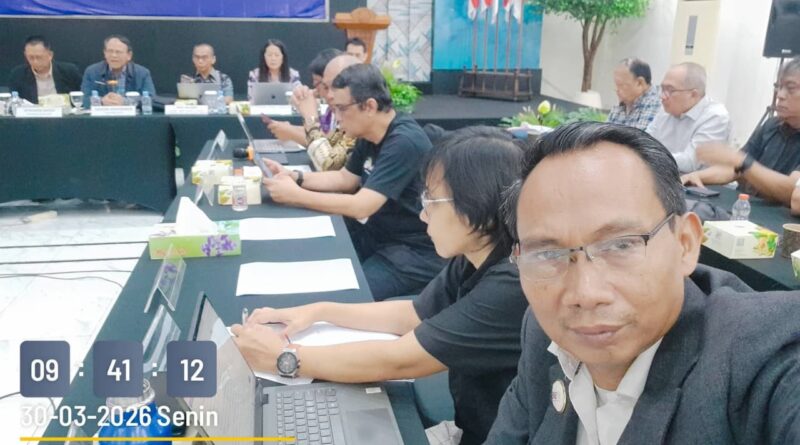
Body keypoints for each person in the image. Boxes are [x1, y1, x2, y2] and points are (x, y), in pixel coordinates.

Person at [484, 121, 800, 444]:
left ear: (685, 244)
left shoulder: (765, 357)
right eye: (548, 253)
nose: (585, 294)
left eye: (621, 245)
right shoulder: (543, 334)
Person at [232, 126, 528, 445]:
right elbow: (413, 314)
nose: (423, 214)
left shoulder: (514, 283)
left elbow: (399, 359)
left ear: (478, 208)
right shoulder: (477, 251)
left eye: (432, 200)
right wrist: (318, 311)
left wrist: (282, 357)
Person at [261, 63, 446, 300]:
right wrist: (296, 177)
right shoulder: (369, 133)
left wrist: (296, 196)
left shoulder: (404, 141)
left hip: (412, 252)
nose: (337, 118)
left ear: (369, 106)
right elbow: (344, 179)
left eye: (341, 109)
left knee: (344, 297)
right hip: (377, 235)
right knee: (308, 262)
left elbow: (362, 206)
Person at [684, 57, 800, 207]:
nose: (780, 95)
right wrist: (696, 176)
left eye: (790, 89)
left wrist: (741, 161)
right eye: (779, 87)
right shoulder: (771, 125)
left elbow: (791, 191)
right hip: (747, 206)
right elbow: (736, 168)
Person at [646, 62, 732, 173]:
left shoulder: (716, 116)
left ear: (693, 94)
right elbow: (645, 140)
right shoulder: (665, 110)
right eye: (662, 89)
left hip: (697, 182)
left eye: (670, 90)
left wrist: (648, 156)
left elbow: (690, 162)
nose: (662, 96)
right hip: (662, 176)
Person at [80, 35, 156, 107]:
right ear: (105, 53)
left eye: (118, 52)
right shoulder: (92, 71)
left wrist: (125, 102)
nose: (114, 55)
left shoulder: (142, 73)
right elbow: (83, 99)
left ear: (129, 55)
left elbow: (152, 99)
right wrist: (101, 101)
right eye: (110, 51)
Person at [8, 35, 81, 104]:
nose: (35, 61)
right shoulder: (18, 75)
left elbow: (80, 98)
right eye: (30, 57)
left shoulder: (69, 71)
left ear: (50, 55)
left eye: (39, 57)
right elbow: (15, 102)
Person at [606, 58, 660, 130]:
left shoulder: (655, 104)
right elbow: (604, 133)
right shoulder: (624, 102)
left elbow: (640, 136)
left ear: (640, 83)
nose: (616, 89)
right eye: (616, 85)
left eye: (621, 85)